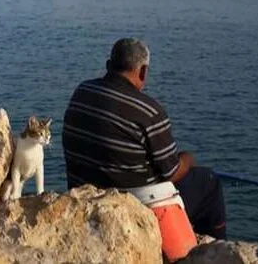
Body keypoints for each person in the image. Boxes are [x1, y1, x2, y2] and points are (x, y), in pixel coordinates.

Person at [62, 38, 226, 239]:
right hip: (136, 205)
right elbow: (172, 172)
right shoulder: (149, 112)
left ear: (108, 65)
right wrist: (187, 159)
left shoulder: (82, 91)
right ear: (143, 72)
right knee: (208, 182)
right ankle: (214, 249)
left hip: (84, 194)